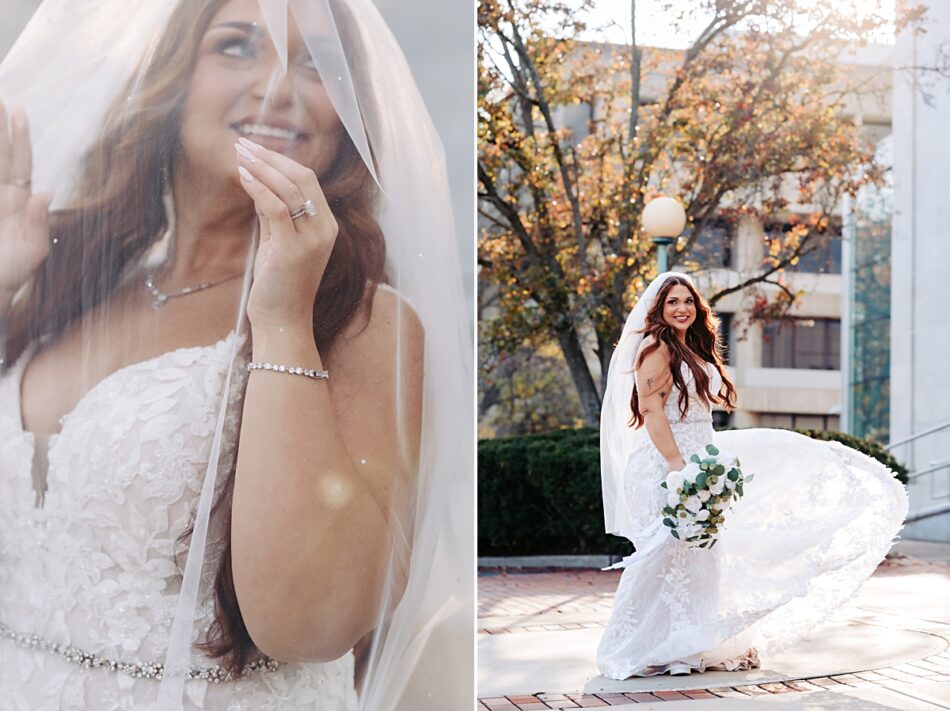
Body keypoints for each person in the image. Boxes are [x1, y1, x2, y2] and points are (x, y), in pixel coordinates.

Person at [0, 1, 471, 709]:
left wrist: (282, 321)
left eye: (317, 65)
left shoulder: (366, 324)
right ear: (171, 78)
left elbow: (311, 621)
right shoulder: (68, 287)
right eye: (237, 46)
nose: (277, 84)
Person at [597, 271, 907, 680]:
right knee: (663, 556)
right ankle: (640, 646)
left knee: (702, 559)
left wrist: (701, 463)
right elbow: (652, 411)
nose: (682, 308)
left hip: (700, 459)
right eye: (673, 301)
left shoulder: (690, 348)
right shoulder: (657, 348)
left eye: (688, 301)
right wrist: (677, 465)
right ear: (659, 308)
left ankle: (687, 646)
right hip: (666, 464)